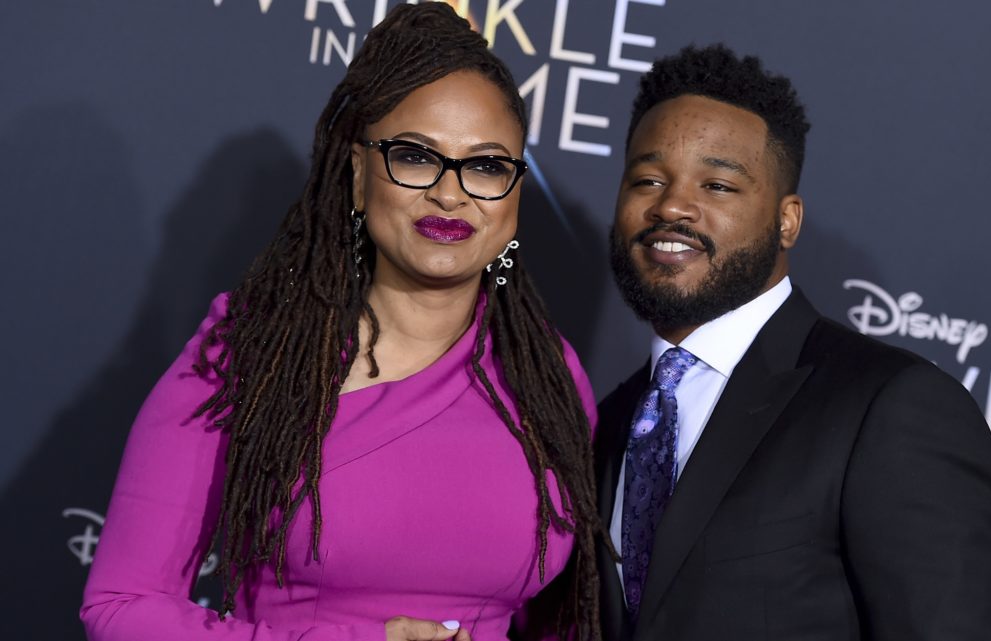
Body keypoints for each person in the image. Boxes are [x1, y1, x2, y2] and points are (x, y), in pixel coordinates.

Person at [80, 5, 604, 641]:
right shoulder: (253, 352)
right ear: (358, 177)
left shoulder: (549, 376)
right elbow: (121, 604)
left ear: (515, 195)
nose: (451, 192)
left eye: (487, 165)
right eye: (415, 156)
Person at [595, 44, 991, 640]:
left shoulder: (890, 406)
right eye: (647, 179)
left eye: (717, 185)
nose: (672, 206)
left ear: (787, 220)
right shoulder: (610, 421)